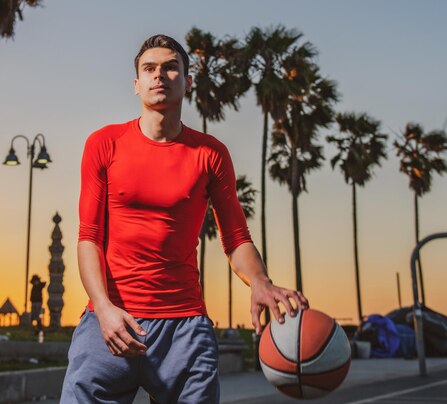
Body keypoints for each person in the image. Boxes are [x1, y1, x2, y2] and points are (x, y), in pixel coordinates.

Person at [60, 34, 308, 404]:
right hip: (110, 323)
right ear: (137, 84)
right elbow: (88, 237)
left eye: (171, 67)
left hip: (184, 329)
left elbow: (236, 237)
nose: (160, 75)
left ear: (188, 81)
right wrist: (105, 309)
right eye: (150, 69)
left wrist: (260, 282)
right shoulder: (104, 143)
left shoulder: (211, 154)